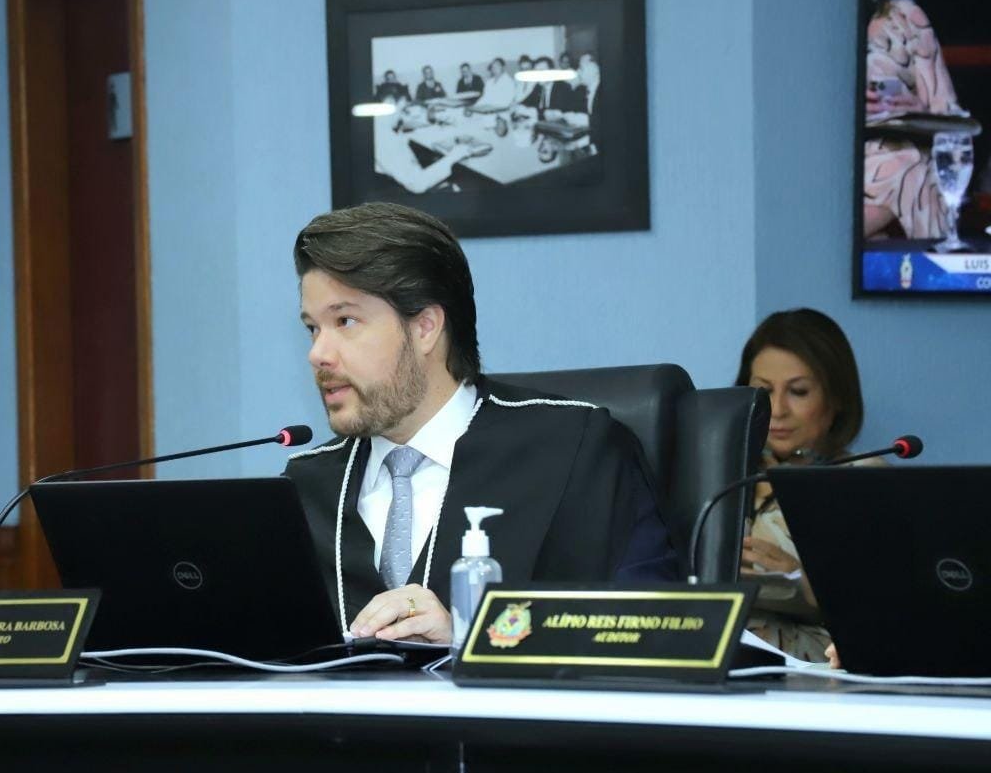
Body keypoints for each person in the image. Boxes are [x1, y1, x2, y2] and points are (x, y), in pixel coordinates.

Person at [286, 203, 678, 644]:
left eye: (345, 321)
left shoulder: (574, 449)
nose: (318, 354)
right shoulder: (305, 488)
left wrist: (474, 639)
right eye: (312, 328)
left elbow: (656, 629)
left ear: (425, 327)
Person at [734, 308, 880, 662]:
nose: (777, 409)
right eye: (763, 390)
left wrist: (801, 584)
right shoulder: (720, 474)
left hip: (813, 673)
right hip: (711, 660)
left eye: (798, 391)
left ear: (837, 397)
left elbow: (893, 611)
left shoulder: (864, 479)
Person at [863, 0, 963, 239]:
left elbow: (956, 130)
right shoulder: (809, 26)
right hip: (827, 168)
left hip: (900, 162)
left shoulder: (905, 18)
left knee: (907, 164)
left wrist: (920, 114)